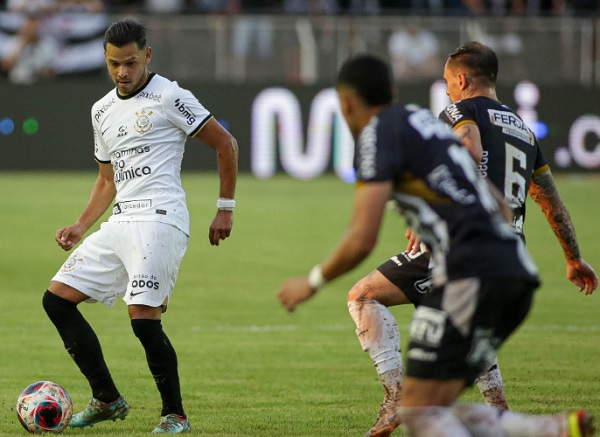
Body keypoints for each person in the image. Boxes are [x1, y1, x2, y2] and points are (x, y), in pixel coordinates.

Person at [277, 53, 596, 437]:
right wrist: (572, 256)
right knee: (425, 403)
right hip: (513, 265)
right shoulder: (432, 122)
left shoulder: (387, 132)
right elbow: (505, 200)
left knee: (420, 410)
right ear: (393, 91)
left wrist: (310, 282)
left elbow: (362, 238)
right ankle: (548, 429)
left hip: (469, 267)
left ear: (344, 102)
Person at [42, 18, 238, 434]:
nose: (123, 72)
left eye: (130, 62)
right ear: (106, 61)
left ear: (147, 56)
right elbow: (107, 181)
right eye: (114, 64)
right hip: (120, 220)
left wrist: (225, 207)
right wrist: (80, 225)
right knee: (56, 300)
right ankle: (107, 399)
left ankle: (174, 415)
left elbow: (226, 143)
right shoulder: (101, 110)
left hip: (160, 218)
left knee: (142, 316)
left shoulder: (171, 96)